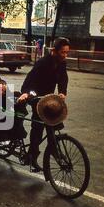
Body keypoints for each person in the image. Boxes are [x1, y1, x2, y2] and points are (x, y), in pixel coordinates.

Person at [17, 37, 70, 171]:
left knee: (53, 123)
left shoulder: (62, 63)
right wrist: (27, 93)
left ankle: (53, 148)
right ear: (54, 51)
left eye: (67, 52)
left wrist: (62, 92)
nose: (65, 55)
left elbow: (63, 78)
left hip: (49, 99)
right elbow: (30, 81)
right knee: (38, 127)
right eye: (62, 52)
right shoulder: (42, 63)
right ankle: (32, 156)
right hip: (36, 96)